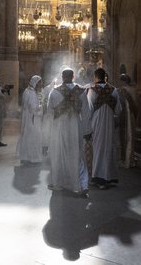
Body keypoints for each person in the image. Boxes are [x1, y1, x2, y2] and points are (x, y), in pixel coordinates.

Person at [47, 68, 91, 198]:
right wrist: (87, 130)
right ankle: (77, 186)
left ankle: (58, 183)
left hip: (58, 128)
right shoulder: (81, 92)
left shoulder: (54, 92)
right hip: (75, 127)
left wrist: (50, 130)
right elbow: (86, 112)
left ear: (62, 77)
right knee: (76, 155)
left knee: (58, 155)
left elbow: (49, 112)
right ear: (73, 76)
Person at [87, 68, 122, 190]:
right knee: (108, 148)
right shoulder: (114, 90)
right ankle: (108, 177)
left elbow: (89, 109)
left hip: (97, 123)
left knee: (97, 149)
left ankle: (98, 178)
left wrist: (87, 125)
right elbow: (118, 109)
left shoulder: (92, 90)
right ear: (105, 77)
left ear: (95, 77)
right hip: (109, 123)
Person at [16, 75, 43, 165]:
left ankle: (25, 157)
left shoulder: (27, 90)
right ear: (35, 83)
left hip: (28, 119)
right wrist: (42, 108)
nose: (41, 84)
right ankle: (32, 158)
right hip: (32, 120)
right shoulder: (31, 93)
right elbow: (33, 109)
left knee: (27, 137)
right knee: (33, 137)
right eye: (40, 83)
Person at [117, 73, 138, 168]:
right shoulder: (134, 90)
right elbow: (136, 105)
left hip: (125, 116)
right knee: (131, 138)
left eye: (120, 81)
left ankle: (125, 160)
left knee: (125, 137)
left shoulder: (122, 91)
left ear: (123, 81)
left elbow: (119, 106)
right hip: (132, 115)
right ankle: (130, 159)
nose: (119, 83)